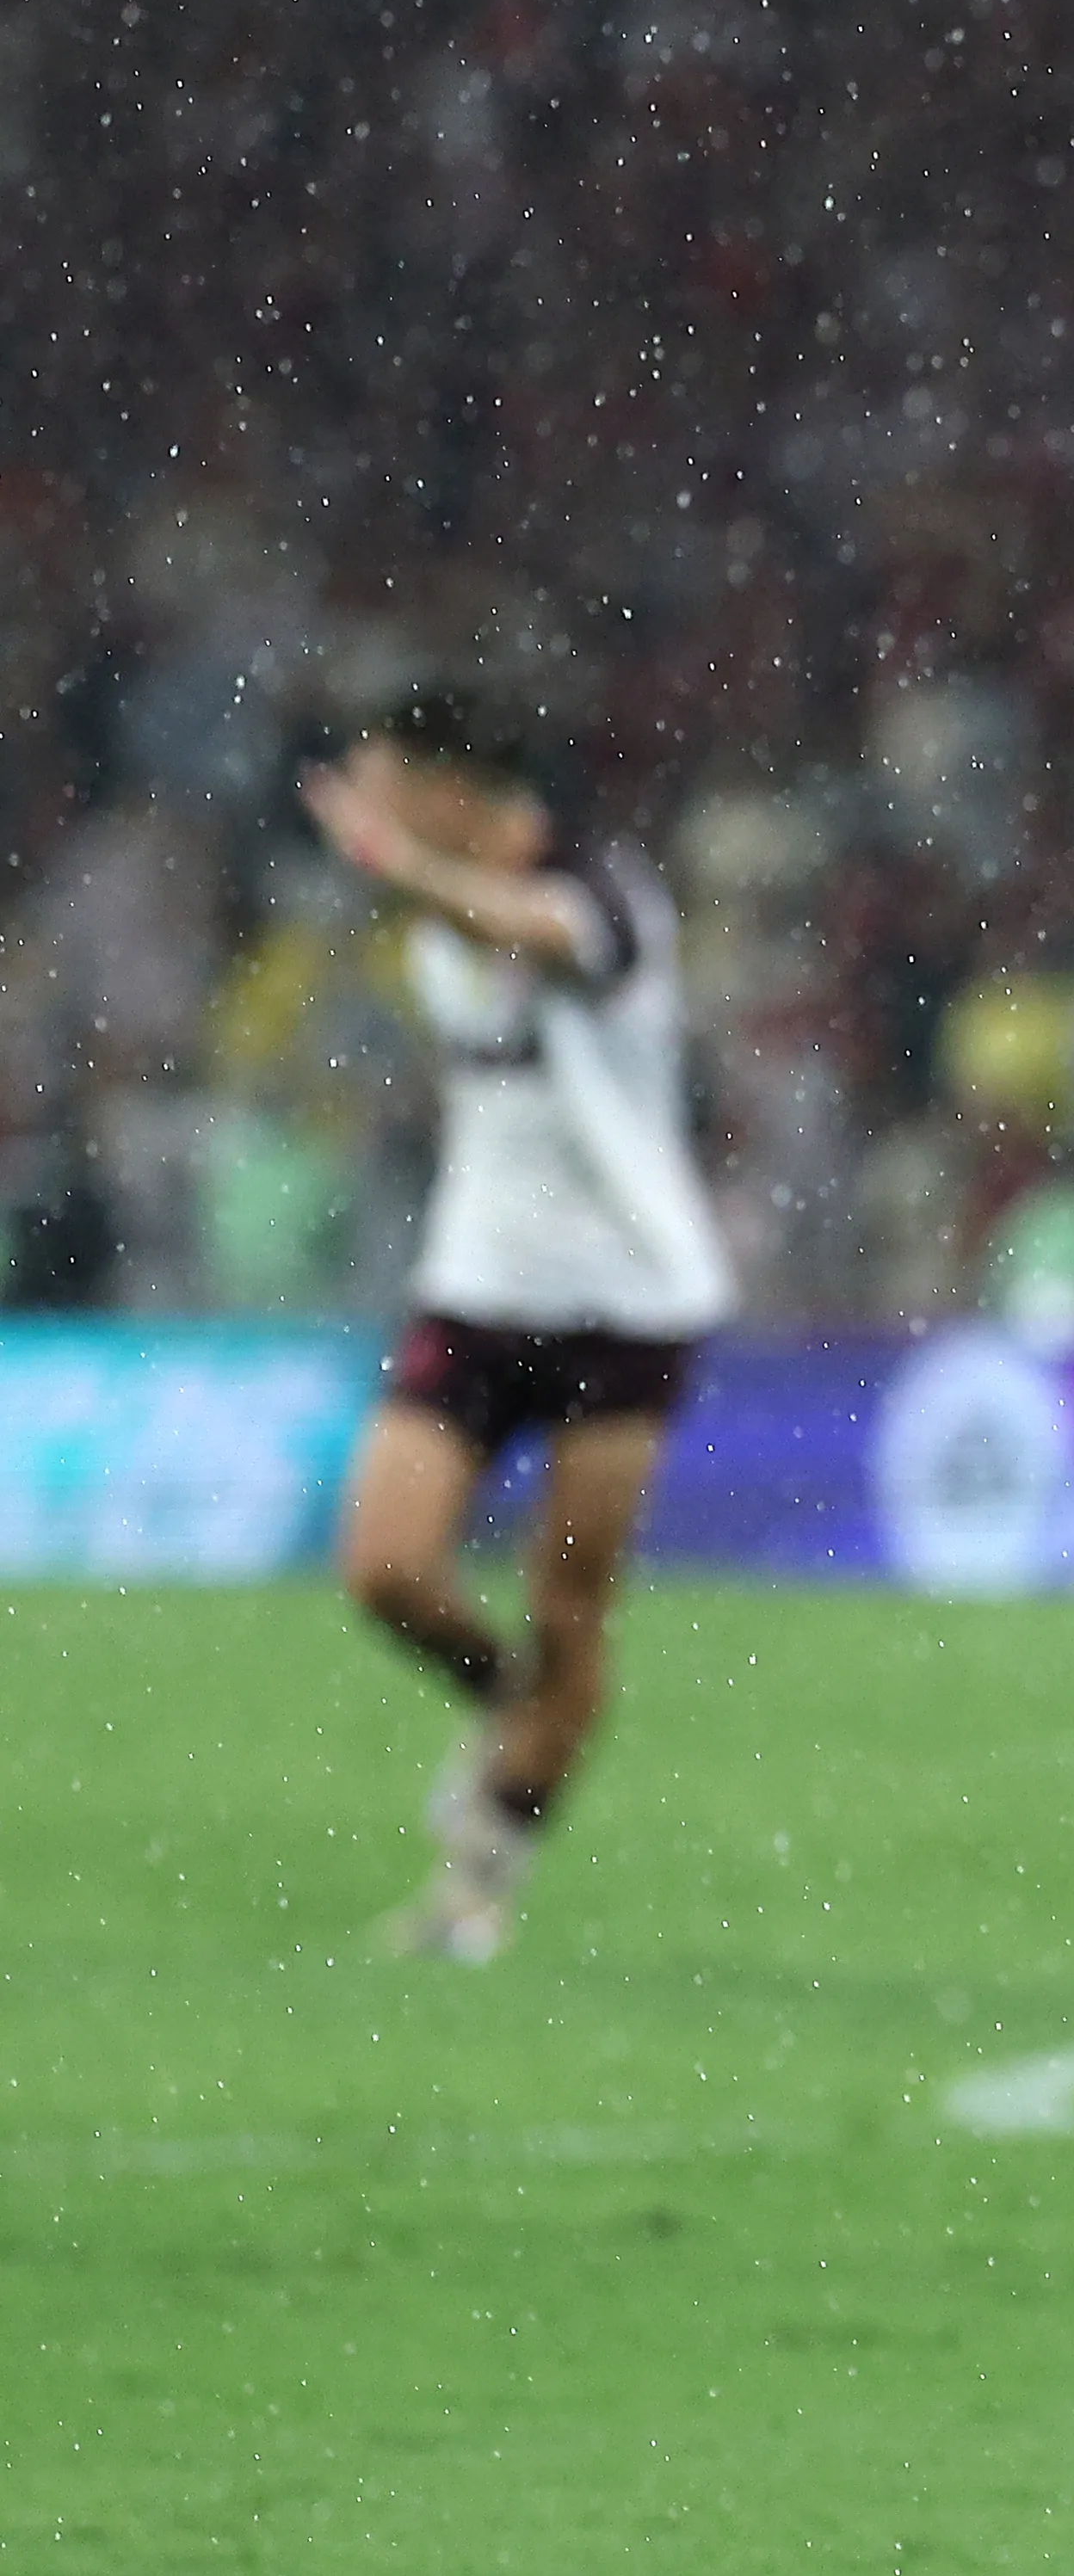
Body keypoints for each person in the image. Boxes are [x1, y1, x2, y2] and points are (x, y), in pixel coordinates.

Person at [299, 691, 736, 1965]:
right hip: (481, 1290)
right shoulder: (436, 907)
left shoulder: (603, 892)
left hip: (627, 1303)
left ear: (453, 787)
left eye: (387, 783)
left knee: (570, 1605)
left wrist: (403, 869)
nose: (372, 810)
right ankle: (510, 1706)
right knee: (385, 1570)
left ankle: (477, 1885)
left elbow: (534, 933)